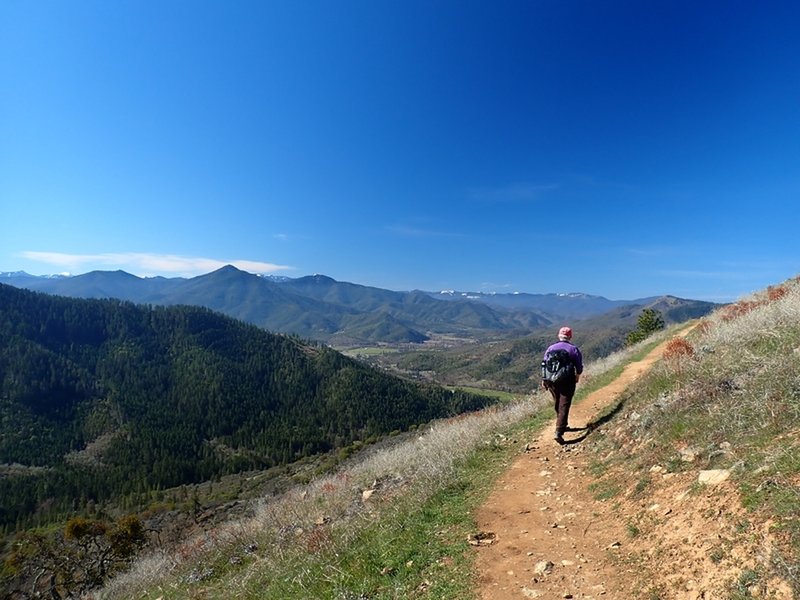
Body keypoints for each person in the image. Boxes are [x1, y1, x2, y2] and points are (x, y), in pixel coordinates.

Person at [541, 326, 583, 444]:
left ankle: (562, 423)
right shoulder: (573, 349)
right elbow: (579, 366)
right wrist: (577, 376)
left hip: (551, 381)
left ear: (559, 336)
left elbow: (544, 364)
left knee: (558, 402)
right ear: (570, 336)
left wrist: (544, 379)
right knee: (564, 403)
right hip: (566, 380)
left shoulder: (550, 348)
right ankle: (559, 431)